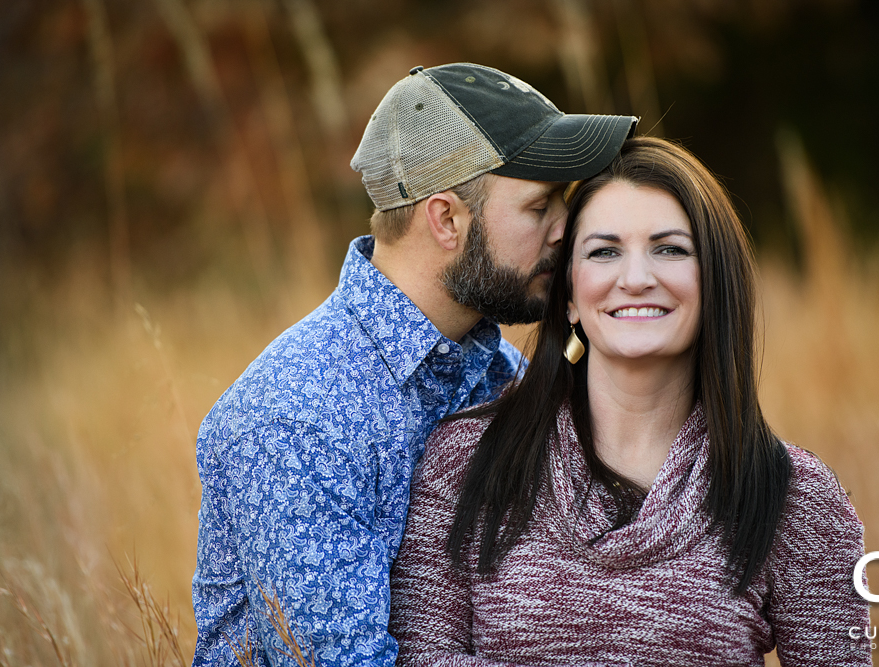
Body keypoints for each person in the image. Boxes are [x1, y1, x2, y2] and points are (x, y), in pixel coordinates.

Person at [190, 63, 638, 666]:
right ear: (446, 219)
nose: (567, 228)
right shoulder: (296, 414)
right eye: (539, 206)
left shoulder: (497, 370)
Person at [390, 137, 872, 666]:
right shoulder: (462, 463)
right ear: (569, 294)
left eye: (670, 249)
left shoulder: (793, 496)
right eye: (604, 251)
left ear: (714, 280)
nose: (637, 279)